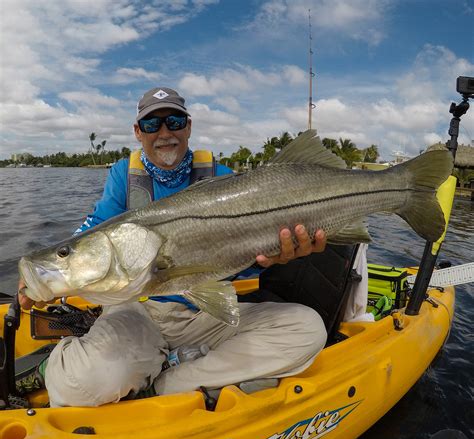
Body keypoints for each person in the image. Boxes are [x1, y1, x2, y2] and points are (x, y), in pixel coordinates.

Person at [18, 87, 330, 407]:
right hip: (139, 311)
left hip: (205, 316)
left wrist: (268, 260)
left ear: (189, 127)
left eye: (174, 121)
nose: (164, 133)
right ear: (138, 133)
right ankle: (58, 364)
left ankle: (168, 383)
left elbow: (243, 260)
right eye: (152, 125)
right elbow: (94, 227)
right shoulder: (123, 176)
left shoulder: (223, 179)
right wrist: (56, 272)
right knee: (76, 386)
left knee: (307, 329)